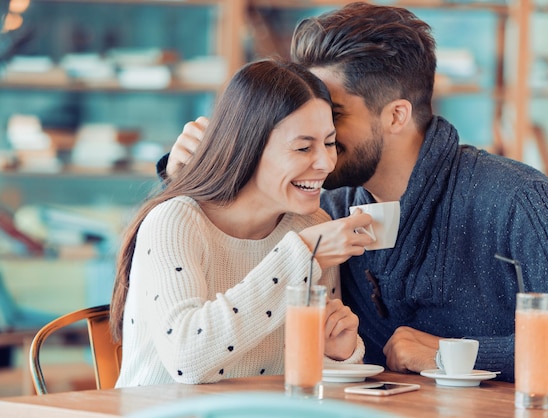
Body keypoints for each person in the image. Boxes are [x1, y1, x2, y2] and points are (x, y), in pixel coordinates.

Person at [158, 2, 548, 391]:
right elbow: (231, 288)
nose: (313, 131)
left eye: (333, 114)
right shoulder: (325, 207)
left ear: (396, 116)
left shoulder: (517, 199)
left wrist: (452, 354)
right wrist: (193, 175)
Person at [111, 59, 376, 387]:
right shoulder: (175, 222)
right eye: (303, 147)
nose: (325, 162)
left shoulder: (310, 226)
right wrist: (303, 256)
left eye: (329, 143)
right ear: (247, 147)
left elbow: (312, 383)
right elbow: (187, 360)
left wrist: (337, 353)